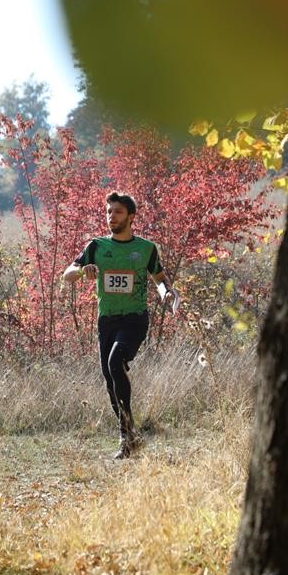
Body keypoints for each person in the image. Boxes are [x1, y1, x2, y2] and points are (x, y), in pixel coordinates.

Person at [62, 192, 178, 459]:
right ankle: (130, 437)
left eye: (117, 212)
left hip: (135, 317)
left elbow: (160, 278)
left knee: (115, 363)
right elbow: (66, 275)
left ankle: (127, 436)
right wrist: (83, 271)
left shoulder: (147, 248)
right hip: (107, 321)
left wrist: (167, 293)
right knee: (109, 378)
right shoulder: (96, 246)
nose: (111, 217)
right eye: (109, 212)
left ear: (131, 216)